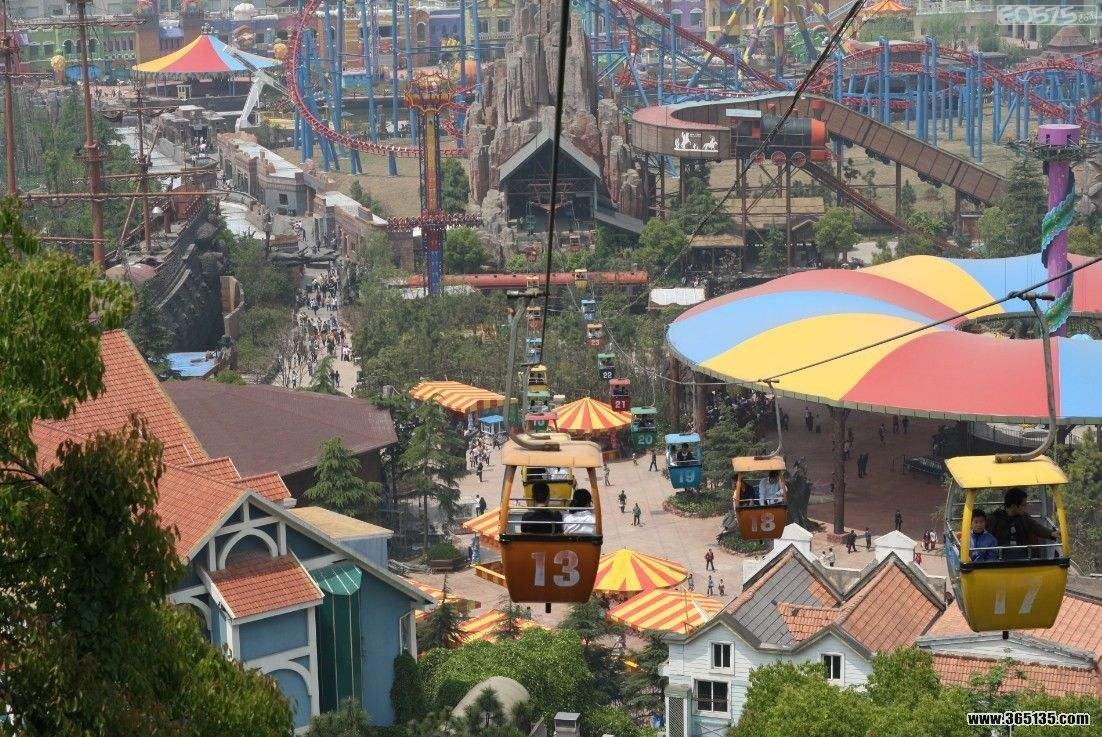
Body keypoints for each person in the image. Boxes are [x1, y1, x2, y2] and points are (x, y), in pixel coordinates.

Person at [987, 487, 1057, 560]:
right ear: (1013, 506)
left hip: (1023, 557)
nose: (1025, 507)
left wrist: (1052, 534)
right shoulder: (995, 519)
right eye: (1023, 505)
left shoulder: (1024, 518)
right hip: (1001, 558)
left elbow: (1037, 528)